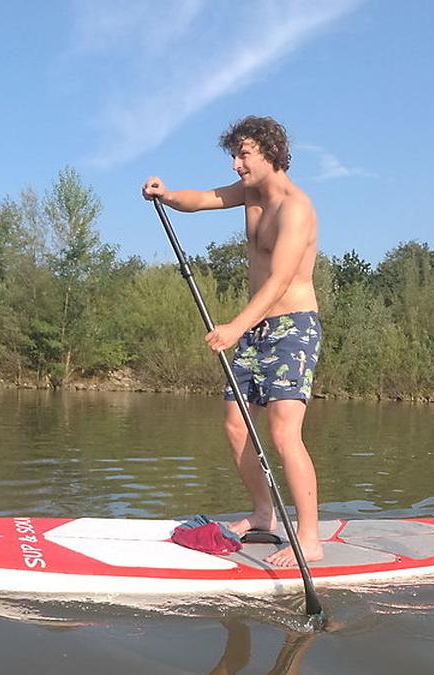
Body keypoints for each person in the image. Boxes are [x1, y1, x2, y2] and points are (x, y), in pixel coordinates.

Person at [142, 115, 323, 566]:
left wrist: (235, 327)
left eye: (244, 153)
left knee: (284, 434)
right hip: (253, 326)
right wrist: (166, 194)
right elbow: (201, 199)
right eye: (235, 154)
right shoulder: (249, 194)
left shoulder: (295, 208)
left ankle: (310, 536)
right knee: (235, 424)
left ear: (270, 151)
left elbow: (280, 280)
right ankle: (264, 514)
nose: (236, 163)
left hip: (291, 326)